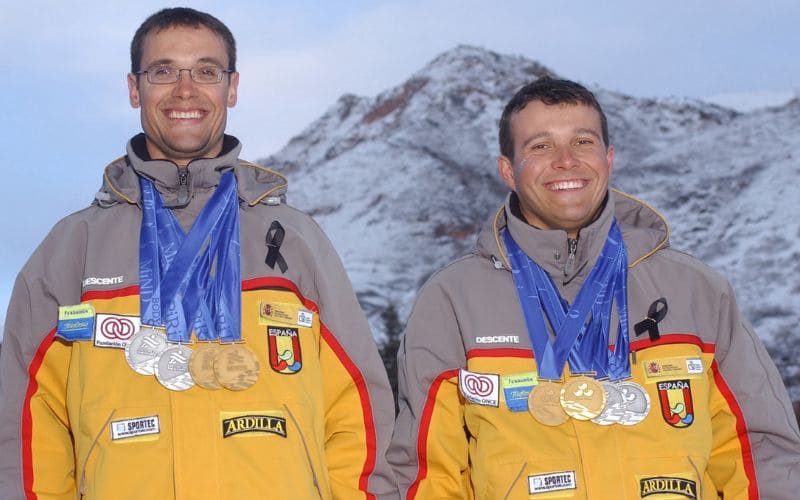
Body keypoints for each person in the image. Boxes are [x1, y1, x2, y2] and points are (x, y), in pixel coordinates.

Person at [0, 7, 396, 499]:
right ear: (133, 88)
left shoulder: (296, 240)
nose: (185, 90)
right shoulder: (70, 249)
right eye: (163, 71)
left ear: (231, 88)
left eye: (206, 71)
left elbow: (356, 410)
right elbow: (27, 432)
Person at [388, 77, 800, 499]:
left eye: (582, 142)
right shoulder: (453, 299)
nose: (566, 161)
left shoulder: (697, 290)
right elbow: (427, 475)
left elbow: (760, 454)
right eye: (540, 146)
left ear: (608, 157)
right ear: (508, 170)